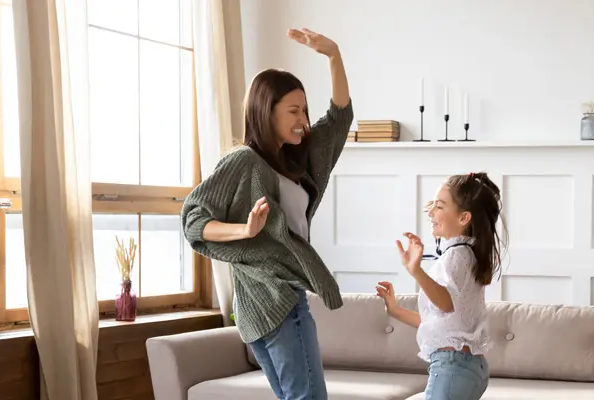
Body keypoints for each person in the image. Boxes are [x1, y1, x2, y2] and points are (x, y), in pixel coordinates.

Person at [181, 28, 352, 399]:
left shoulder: (295, 159)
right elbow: (194, 220)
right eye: (293, 110)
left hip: (267, 305)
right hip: (277, 299)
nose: (302, 119)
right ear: (265, 111)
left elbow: (338, 122)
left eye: (304, 110)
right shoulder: (243, 162)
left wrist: (334, 55)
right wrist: (244, 230)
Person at [375, 172, 508, 400]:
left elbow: (446, 304)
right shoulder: (468, 254)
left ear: (464, 218)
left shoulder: (456, 255)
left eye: (439, 206)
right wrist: (394, 310)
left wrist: (415, 270)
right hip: (468, 366)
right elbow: (444, 323)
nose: (430, 212)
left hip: (453, 367)